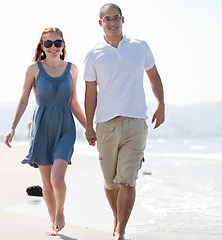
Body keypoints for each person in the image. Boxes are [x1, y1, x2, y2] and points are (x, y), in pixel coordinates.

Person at [84, 4, 165, 240]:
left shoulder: (140, 47)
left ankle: (120, 231)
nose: (112, 22)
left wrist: (161, 103)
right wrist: (89, 125)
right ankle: (117, 220)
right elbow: (90, 94)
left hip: (136, 122)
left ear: (123, 19)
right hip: (106, 124)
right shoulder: (93, 54)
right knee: (110, 183)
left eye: (116, 18)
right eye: (107, 19)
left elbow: (154, 76)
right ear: (100, 23)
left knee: (127, 179)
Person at [5, 27, 86, 236]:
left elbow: (74, 103)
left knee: (57, 179)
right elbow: (23, 99)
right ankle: (52, 221)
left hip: (65, 128)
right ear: (42, 46)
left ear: (63, 45)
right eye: (48, 43)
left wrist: (90, 128)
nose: (53, 47)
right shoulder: (34, 69)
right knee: (47, 184)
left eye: (57, 43)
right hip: (41, 129)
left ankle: (60, 212)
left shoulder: (72, 69)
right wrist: (12, 127)